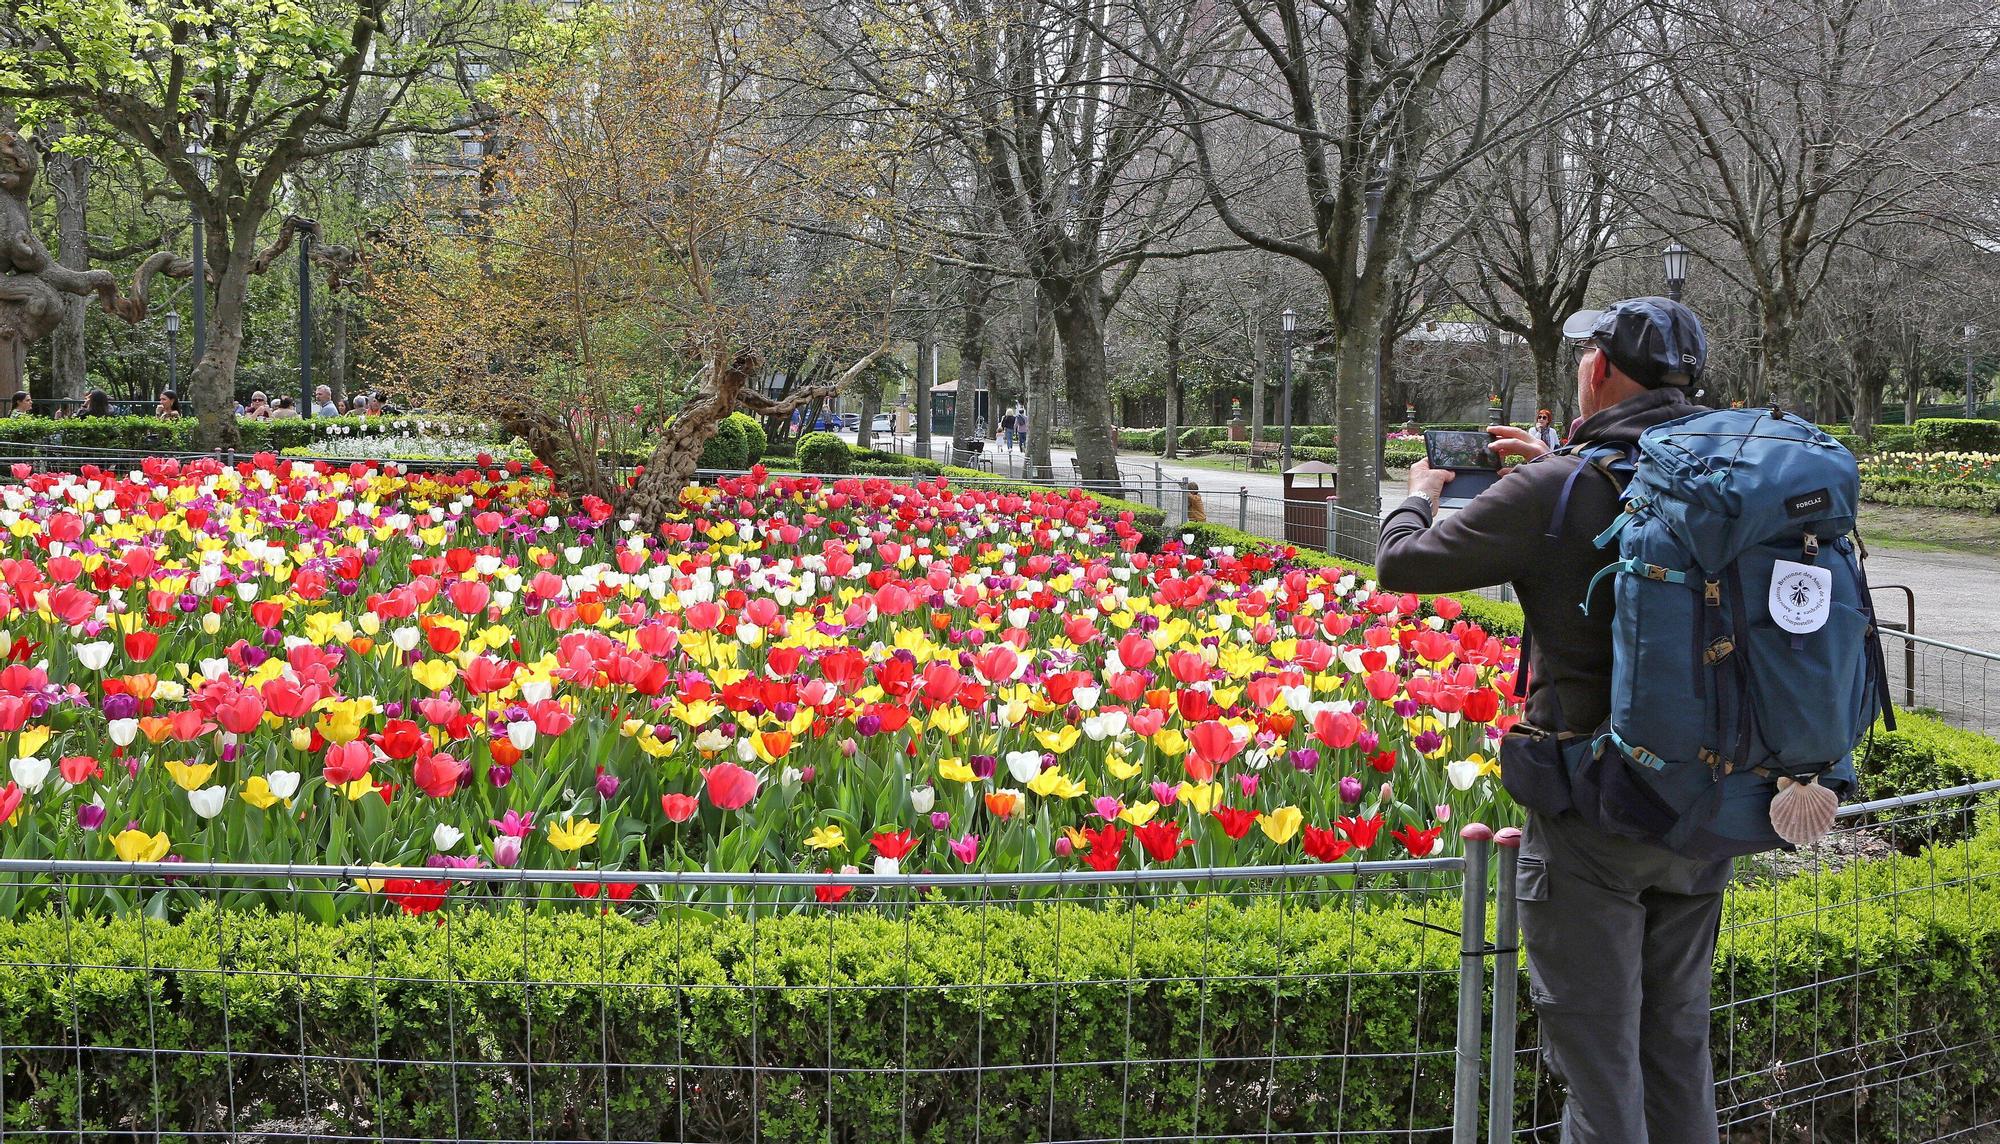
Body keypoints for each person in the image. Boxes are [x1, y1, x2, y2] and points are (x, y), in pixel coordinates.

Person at [1375, 297, 1724, 1144]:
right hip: (1709, 802)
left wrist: (1419, 496)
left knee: (1598, 1065)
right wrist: (1556, 466)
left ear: (1598, 368)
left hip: (1595, 806)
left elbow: (1401, 565)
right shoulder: (1720, 471)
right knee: (1676, 1045)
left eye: (1585, 353)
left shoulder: (1559, 486)